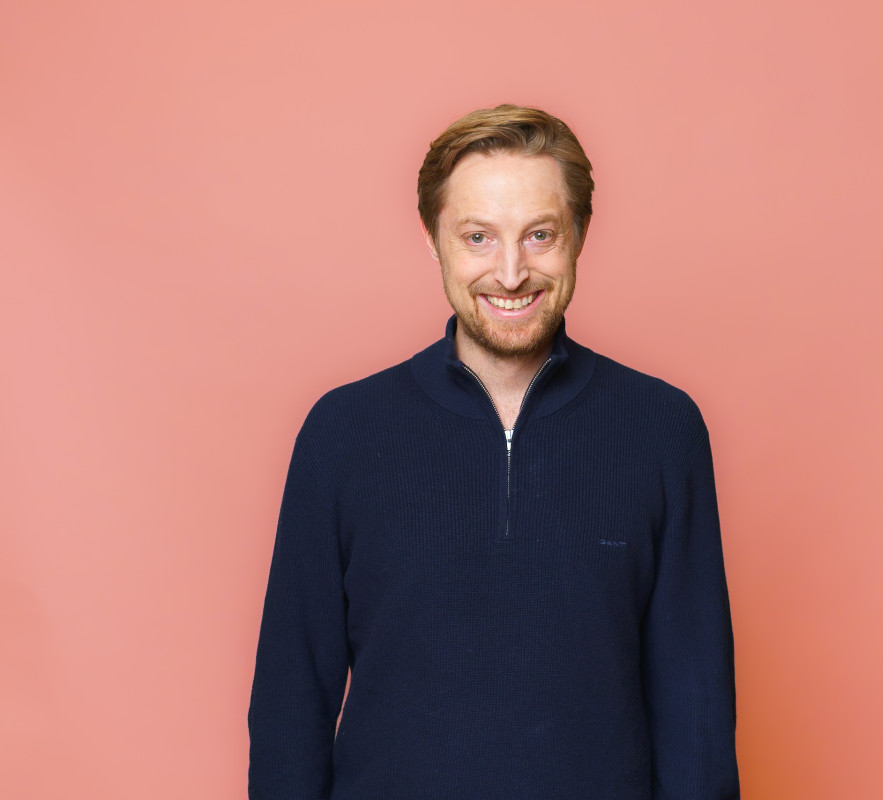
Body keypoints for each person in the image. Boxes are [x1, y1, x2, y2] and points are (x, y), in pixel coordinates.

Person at [248, 104, 739, 800]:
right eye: (478, 237)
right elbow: (288, 706)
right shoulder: (343, 432)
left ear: (579, 235)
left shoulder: (662, 429)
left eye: (539, 235)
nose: (510, 273)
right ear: (433, 240)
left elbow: (697, 715)